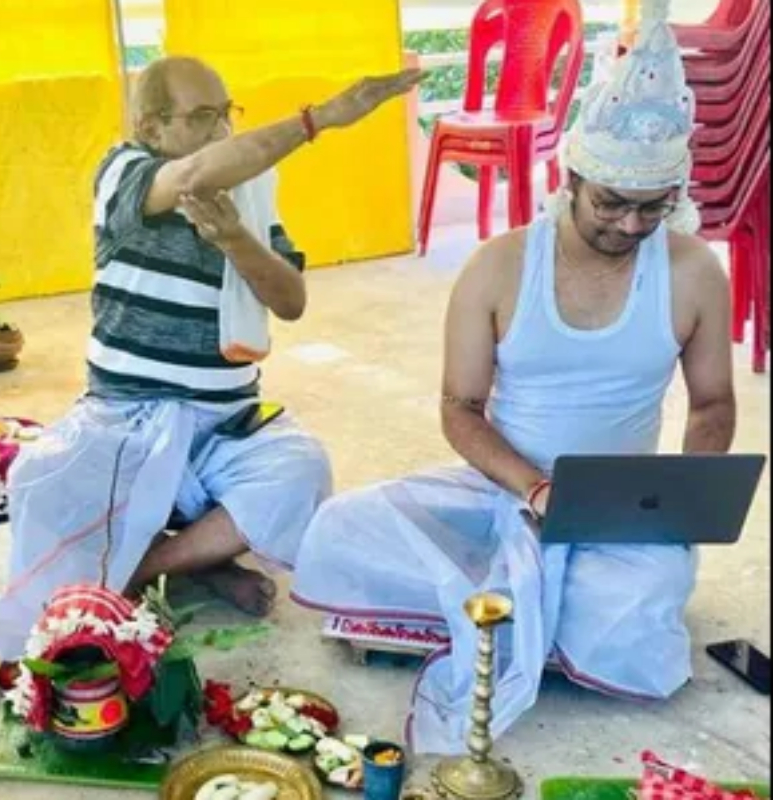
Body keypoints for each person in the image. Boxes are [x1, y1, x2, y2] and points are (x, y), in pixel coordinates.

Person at [291, 0, 736, 755]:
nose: (631, 227)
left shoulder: (691, 271)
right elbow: (460, 408)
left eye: (653, 210)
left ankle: (496, 613)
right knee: (342, 526)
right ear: (574, 178)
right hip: (501, 488)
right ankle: (530, 613)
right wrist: (534, 488)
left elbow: (714, 402)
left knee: (644, 597)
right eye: (613, 204)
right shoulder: (498, 266)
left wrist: (681, 494)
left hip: (617, 506)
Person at [0, 55, 424, 659]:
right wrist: (322, 119)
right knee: (40, 482)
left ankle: (145, 568)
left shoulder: (251, 196)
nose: (222, 131)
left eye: (227, 114)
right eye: (204, 116)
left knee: (301, 471)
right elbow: (194, 175)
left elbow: (289, 302)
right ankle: (194, 567)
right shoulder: (125, 172)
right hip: (124, 422)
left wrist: (237, 239)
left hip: (223, 429)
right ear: (152, 129)